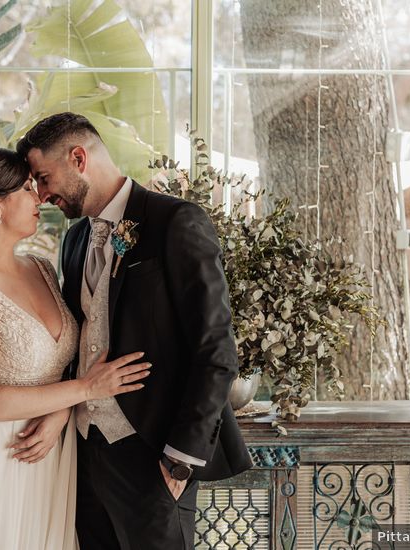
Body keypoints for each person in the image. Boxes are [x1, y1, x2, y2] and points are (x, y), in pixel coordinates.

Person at [16, 113, 253, 550]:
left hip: (155, 455)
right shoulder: (73, 242)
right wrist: (61, 412)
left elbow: (216, 351)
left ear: (79, 157)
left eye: (44, 178)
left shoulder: (176, 222)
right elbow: (78, 345)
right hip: (84, 454)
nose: (42, 194)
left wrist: (180, 459)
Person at [0, 148, 150, 550]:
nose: (39, 197)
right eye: (26, 187)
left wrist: (60, 411)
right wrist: (88, 390)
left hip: (49, 455)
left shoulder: (41, 267)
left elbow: (67, 361)